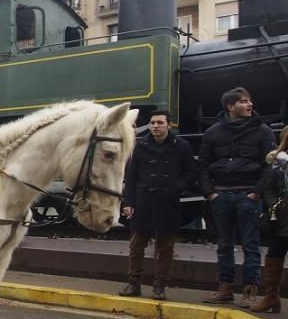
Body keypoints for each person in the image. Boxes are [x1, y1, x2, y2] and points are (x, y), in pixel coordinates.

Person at [198, 87, 275, 306]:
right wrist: (209, 192)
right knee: (224, 244)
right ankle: (225, 288)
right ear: (230, 107)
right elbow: (203, 165)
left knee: (250, 244)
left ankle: (250, 291)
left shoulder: (264, 131)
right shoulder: (213, 132)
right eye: (243, 102)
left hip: (247, 194)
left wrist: (256, 193)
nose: (249, 105)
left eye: (250, 101)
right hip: (221, 194)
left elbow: (268, 167)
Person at [118, 110, 194, 300]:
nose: (155, 126)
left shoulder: (182, 146)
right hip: (143, 202)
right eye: (152, 123)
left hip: (168, 202)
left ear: (169, 124)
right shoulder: (139, 146)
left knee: (165, 247)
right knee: (136, 245)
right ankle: (133, 283)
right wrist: (128, 202)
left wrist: (177, 187)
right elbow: (131, 176)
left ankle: (160, 286)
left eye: (160, 123)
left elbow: (191, 172)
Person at [253, 131, 288, 313]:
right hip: (283, 215)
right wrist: (275, 204)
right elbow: (268, 188)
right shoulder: (278, 161)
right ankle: (271, 297)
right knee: (275, 254)